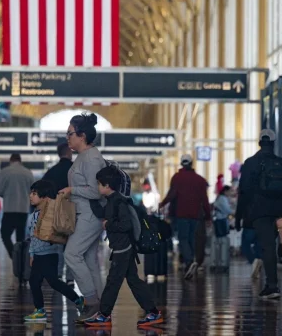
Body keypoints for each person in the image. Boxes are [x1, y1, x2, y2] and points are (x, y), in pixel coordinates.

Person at [83, 165, 163, 328]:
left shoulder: (119, 202)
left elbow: (126, 224)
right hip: (124, 248)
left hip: (123, 248)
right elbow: (102, 213)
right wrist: (90, 199)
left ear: (107, 186)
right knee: (133, 280)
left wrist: (108, 225)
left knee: (113, 281)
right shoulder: (113, 200)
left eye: (99, 184)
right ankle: (152, 312)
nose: (97, 187)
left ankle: (104, 315)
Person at [57, 113, 106, 320]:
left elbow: (96, 191)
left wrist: (71, 190)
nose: (67, 138)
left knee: (71, 254)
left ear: (82, 135)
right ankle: (102, 308)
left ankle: (91, 301)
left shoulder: (92, 158)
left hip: (90, 214)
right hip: (83, 213)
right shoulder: (84, 156)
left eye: (70, 134)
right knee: (89, 259)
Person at [236, 129, 282, 299]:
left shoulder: (251, 163)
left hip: (260, 211)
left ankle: (272, 286)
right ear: (273, 143)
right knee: (275, 246)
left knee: (267, 246)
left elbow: (243, 191)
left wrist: (240, 217)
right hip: (281, 212)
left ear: (259, 143)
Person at [23, 180, 85, 323]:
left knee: (53, 282)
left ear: (45, 197)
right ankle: (40, 310)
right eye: (31, 193)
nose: (30, 196)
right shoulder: (33, 215)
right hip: (38, 255)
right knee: (34, 281)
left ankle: (77, 300)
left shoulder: (51, 214)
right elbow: (32, 236)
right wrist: (32, 254)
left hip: (49, 255)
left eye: (34, 193)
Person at [159, 154, 211, 280]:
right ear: (192, 163)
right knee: (191, 238)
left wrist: (162, 204)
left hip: (181, 213)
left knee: (183, 238)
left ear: (181, 163)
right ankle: (192, 260)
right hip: (195, 214)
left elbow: (172, 194)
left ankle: (189, 261)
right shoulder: (200, 180)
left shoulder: (177, 178)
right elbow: (205, 199)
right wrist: (208, 216)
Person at [41, 143, 75, 283]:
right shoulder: (75, 169)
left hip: (55, 212)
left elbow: (42, 192)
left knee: (58, 245)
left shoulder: (51, 172)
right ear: (68, 152)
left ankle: (58, 274)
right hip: (73, 212)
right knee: (72, 246)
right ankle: (71, 278)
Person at [0, 153, 35, 256]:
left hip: (9, 209)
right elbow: (33, 191)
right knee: (20, 238)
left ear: (11, 160)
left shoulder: (5, 172)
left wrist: (7, 195)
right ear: (20, 160)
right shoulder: (28, 173)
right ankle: (20, 260)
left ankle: (13, 254)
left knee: (5, 234)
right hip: (23, 209)